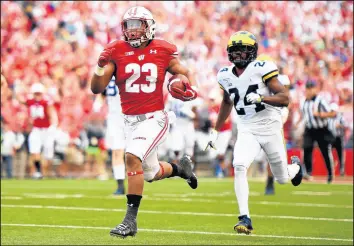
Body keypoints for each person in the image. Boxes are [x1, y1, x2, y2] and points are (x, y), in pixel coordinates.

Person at [90, 6, 198, 238]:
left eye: (137, 25)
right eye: (128, 26)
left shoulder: (162, 49)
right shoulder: (116, 50)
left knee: (131, 157)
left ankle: (130, 221)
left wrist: (188, 86)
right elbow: (96, 88)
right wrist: (99, 66)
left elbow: (183, 72)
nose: (133, 31)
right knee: (150, 173)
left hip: (154, 118)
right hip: (129, 121)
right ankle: (182, 169)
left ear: (149, 26)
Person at [205, 31, 303, 235]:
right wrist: (215, 131)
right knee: (239, 165)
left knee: (282, 178)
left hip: (270, 125)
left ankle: (294, 168)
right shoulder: (224, 75)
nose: (239, 54)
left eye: (243, 49)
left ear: (252, 51)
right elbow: (226, 101)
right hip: (247, 127)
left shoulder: (262, 68)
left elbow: (285, 98)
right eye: (235, 50)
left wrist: (261, 98)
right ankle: (244, 218)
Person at [256, 54, 292, 195]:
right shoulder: (252, 80)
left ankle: (270, 182)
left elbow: (285, 99)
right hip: (257, 120)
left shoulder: (280, 80)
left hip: (274, 116)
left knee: (274, 156)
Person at [295, 80, 336, 183]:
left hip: (321, 129)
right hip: (309, 129)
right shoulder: (304, 101)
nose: (309, 91)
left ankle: (330, 174)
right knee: (307, 148)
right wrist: (297, 123)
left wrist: (320, 114)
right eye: (307, 88)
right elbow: (303, 114)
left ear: (315, 89)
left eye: (311, 88)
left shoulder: (320, 100)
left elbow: (332, 113)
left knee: (325, 151)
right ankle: (308, 172)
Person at [16, 83, 58, 179]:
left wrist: (54, 125)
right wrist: (20, 88)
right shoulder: (30, 101)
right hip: (36, 129)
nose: (37, 96)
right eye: (36, 93)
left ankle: (46, 172)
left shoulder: (46, 102)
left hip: (47, 130)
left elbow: (52, 113)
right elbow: (20, 99)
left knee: (48, 154)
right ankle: (38, 171)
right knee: (35, 150)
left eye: (39, 93)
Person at [101, 78, 127, 195]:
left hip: (127, 116)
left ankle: (125, 185)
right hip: (118, 117)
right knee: (117, 152)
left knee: (131, 153)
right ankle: (120, 186)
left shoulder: (109, 74)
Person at [328, 103, 347, 176]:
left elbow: (345, 125)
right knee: (328, 152)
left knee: (341, 154)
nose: (332, 112)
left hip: (339, 137)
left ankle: (342, 170)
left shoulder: (340, 117)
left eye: (333, 111)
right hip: (330, 137)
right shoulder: (328, 118)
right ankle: (331, 169)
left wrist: (340, 125)